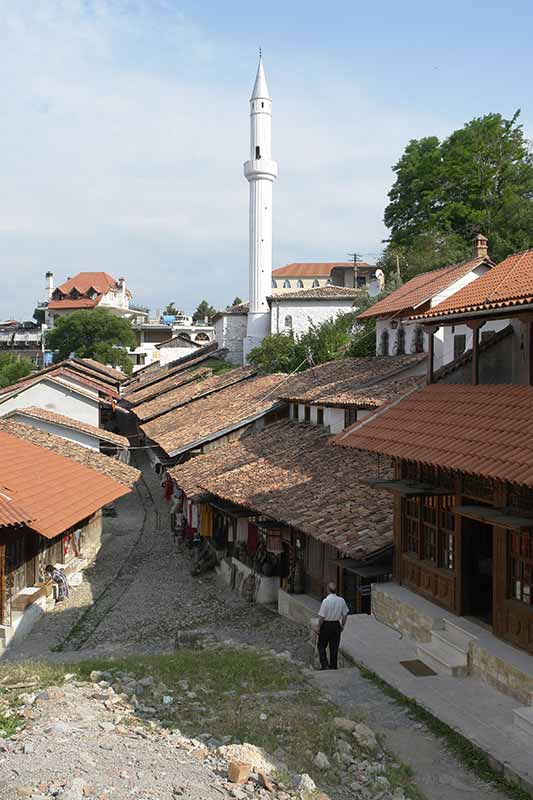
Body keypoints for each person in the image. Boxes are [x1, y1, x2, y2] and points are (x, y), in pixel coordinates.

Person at [316, 582, 349, 670]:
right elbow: (345, 614)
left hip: (326, 625)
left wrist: (318, 627)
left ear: (328, 590)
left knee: (321, 645)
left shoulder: (326, 601)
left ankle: (325, 665)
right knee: (334, 647)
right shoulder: (341, 600)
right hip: (336, 625)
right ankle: (333, 666)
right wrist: (342, 625)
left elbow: (322, 617)